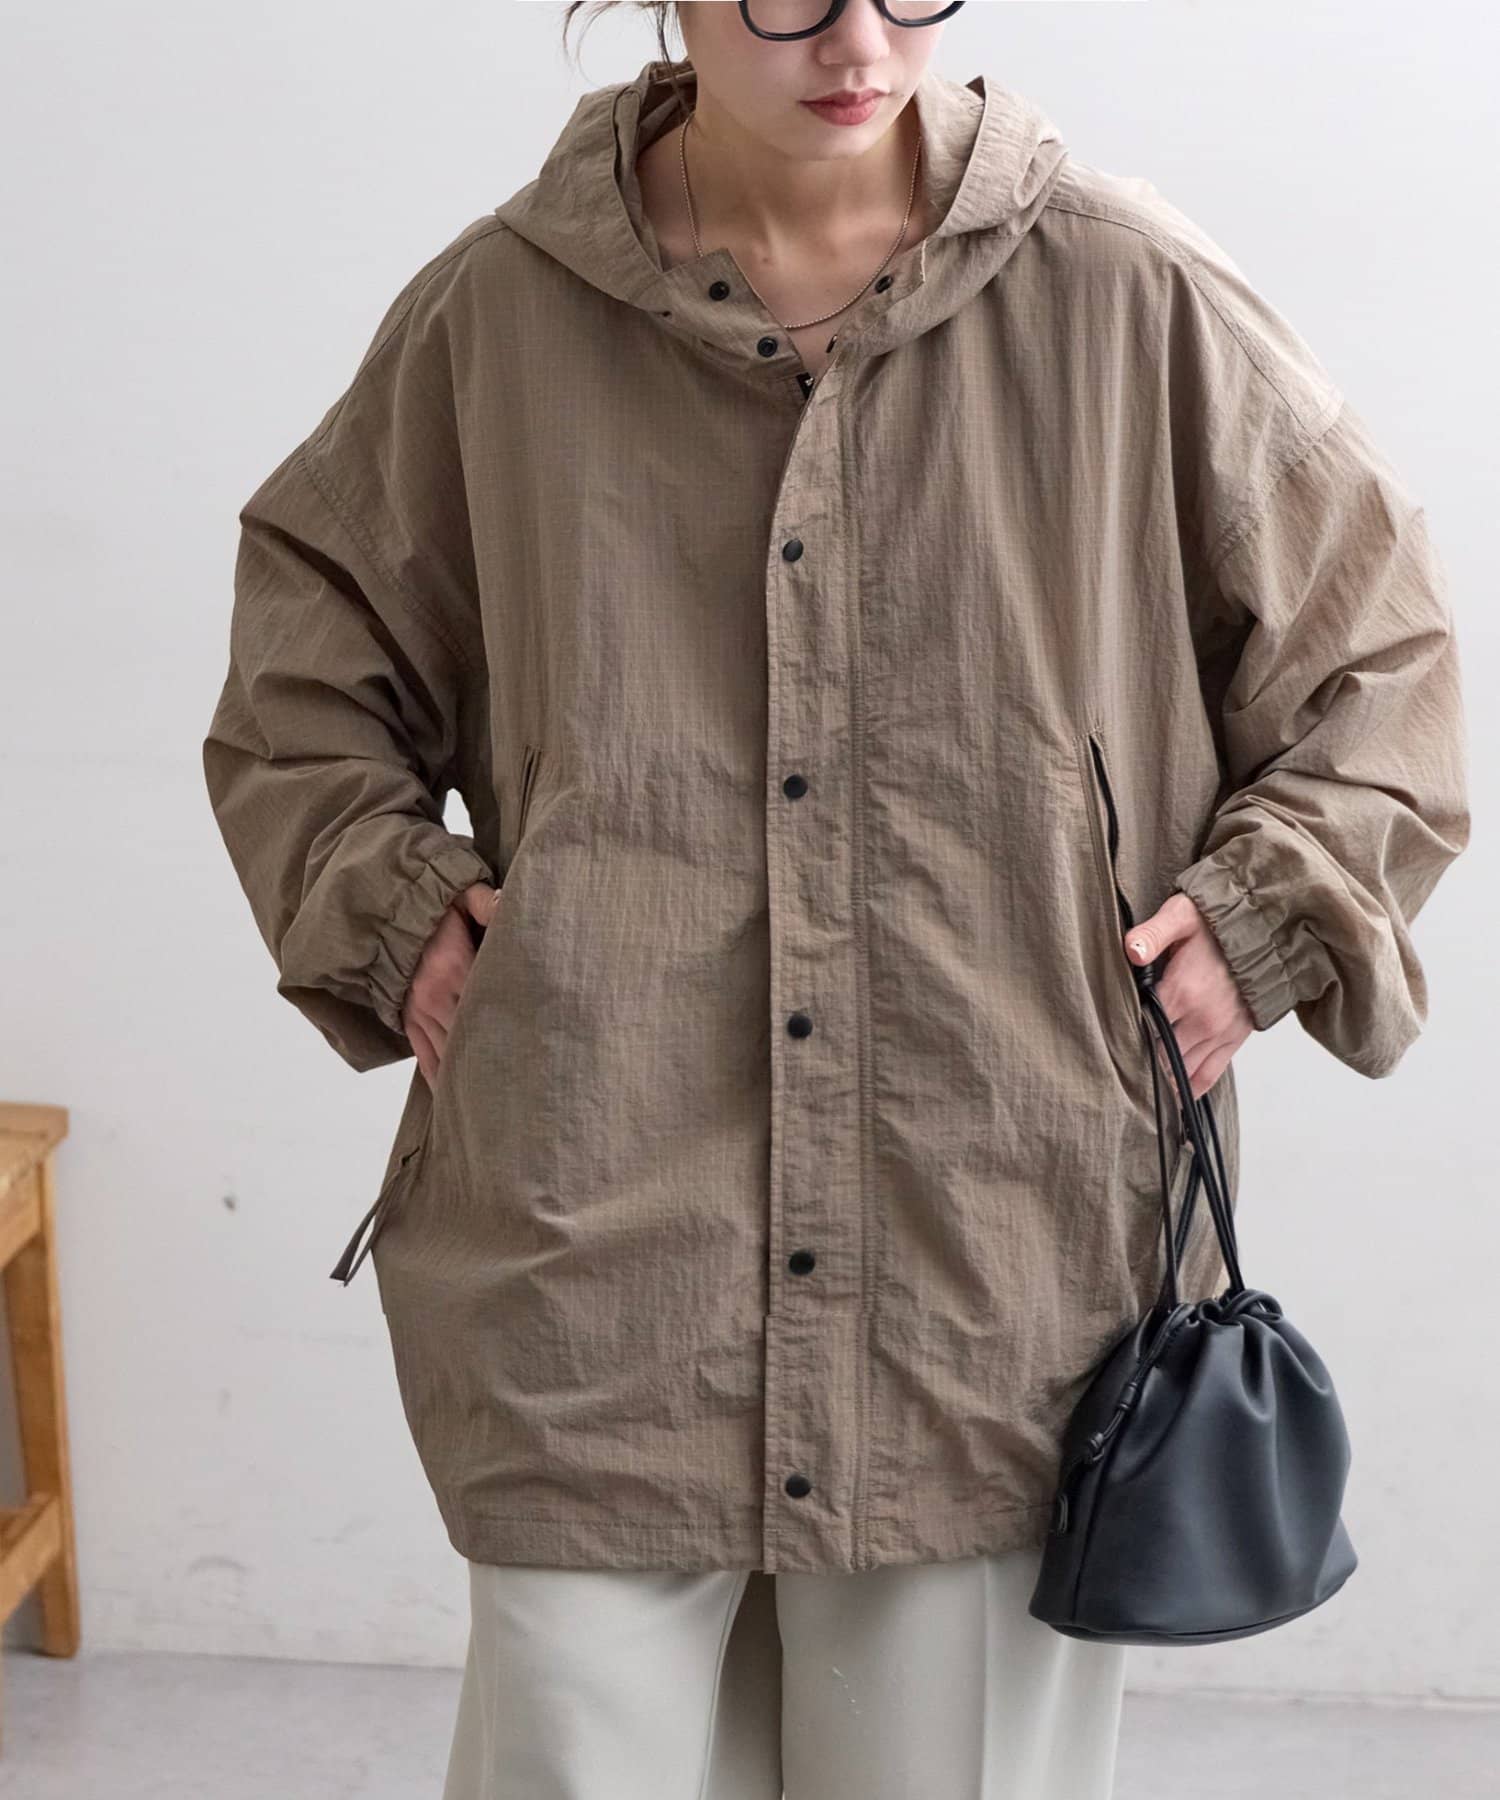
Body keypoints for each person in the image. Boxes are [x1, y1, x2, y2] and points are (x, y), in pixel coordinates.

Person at [201, 1, 1471, 1794]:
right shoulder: (500, 318)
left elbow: (1380, 662)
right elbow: (303, 685)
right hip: (601, 1236)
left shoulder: (1125, 292)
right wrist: (390, 910)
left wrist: (1269, 920)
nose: (861, 39)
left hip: (1000, 1243)